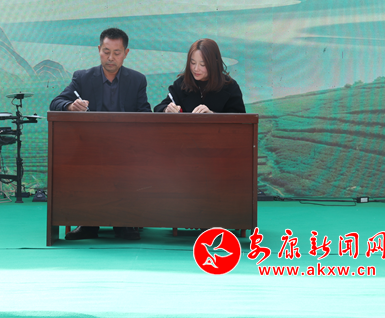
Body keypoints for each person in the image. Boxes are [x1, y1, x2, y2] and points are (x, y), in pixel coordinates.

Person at [50, 28, 151, 241]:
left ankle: (123, 223)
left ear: (126, 53)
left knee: (130, 163)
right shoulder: (83, 78)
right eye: (106, 51)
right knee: (84, 162)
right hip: (91, 147)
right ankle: (88, 223)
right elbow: (56, 102)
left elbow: (145, 114)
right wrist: (71, 106)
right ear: (98, 50)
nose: (110, 57)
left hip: (125, 148)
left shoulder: (137, 80)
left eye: (116, 52)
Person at [154, 38, 246, 114]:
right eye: (193, 63)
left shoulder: (230, 87)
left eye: (202, 64)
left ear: (214, 63)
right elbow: (159, 108)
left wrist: (213, 115)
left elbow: (240, 120)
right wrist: (167, 109)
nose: (196, 69)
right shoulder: (182, 84)